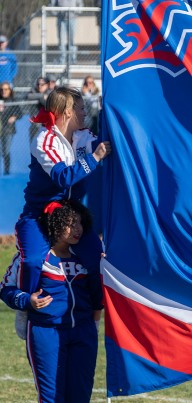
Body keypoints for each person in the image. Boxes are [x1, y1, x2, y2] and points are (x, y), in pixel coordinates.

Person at [0, 199, 101, 403]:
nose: (77, 229)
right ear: (55, 225)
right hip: (45, 332)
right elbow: (6, 289)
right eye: (70, 223)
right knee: (51, 392)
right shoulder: (33, 258)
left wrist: (94, 321)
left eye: (80, 222)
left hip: (82, 332)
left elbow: (98, 295)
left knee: (80, 391)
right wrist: (27, 300)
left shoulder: (86, 258)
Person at [13, 86, 111, 341]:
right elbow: (63, 177)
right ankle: (25, 307)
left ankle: (95, 315)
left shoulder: (84, 135)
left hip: (73, 213)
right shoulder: (43, 140)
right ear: (67, 112)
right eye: (80, 108)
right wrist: (96, 157)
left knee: (96, 258)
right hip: (39, 215)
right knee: (33, 259)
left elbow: (105, 142)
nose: (84, 112)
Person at [52, 0, 81, 64]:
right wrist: (57, 13)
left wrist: (76, 12)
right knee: (62, 41)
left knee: (72, 41)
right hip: (61, 19)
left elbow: (80, 4)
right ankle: (62, 60)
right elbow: (52, 4)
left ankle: (73, 60)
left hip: (72, 19)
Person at [0, 81, 20, 175]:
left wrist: (14, 116)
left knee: (6, 150)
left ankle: (6, 171)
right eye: (2, 89)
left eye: (6, 89)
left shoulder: (13, 100)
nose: (4, 91)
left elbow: (20, 112)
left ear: (10, 90)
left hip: (8, 129)